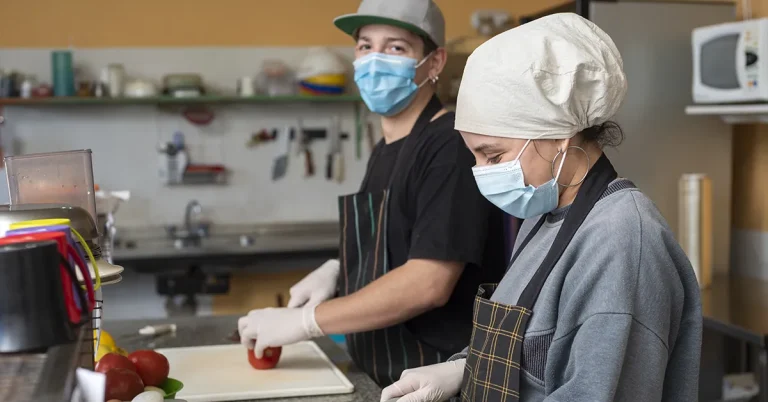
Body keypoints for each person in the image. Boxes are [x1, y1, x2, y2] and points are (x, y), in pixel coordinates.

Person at [380, 13, 703, 402]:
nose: (481, 173)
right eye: (475, 156)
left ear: (559, 138)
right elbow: (535, 350)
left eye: (493, 155)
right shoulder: (543, 215)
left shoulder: (622, 242)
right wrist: (464, 368)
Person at [237, 0, 506, 388]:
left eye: (396, 48)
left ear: (434, 63)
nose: (375, 60)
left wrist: (306, 322)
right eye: (365, 46)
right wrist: (337, 270)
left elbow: (428, 282)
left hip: (435, 379)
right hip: (381, 375)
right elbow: (398, 242)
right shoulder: (386, 149)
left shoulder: (449, 146)